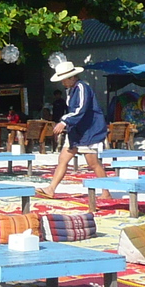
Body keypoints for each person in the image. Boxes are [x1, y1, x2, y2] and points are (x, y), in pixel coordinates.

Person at [36, 58, 107, 198]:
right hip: (76, 130)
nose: (63, 82)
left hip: (88, 130)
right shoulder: (71, 90)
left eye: (65, 79)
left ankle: (106, 191)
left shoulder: (81, 87)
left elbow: (81, 109)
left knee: (93, 163)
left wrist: (64, 121)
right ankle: (51, 188)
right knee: (63, 158)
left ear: (72, 77)